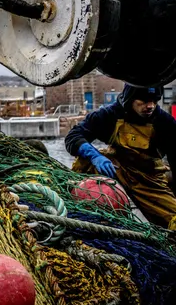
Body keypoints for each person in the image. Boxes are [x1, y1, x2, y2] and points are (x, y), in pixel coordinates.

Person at [65, 84, 176, 229]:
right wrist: (95, 156)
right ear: (130, 98)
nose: (150, 106)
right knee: (85, 159)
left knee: (173, 220)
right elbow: (73, 136)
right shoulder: (110, 115)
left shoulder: (164, 122)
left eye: (154, 101)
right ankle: (79, 206)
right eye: (143, 101)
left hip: (149, 179)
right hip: (115, 169)